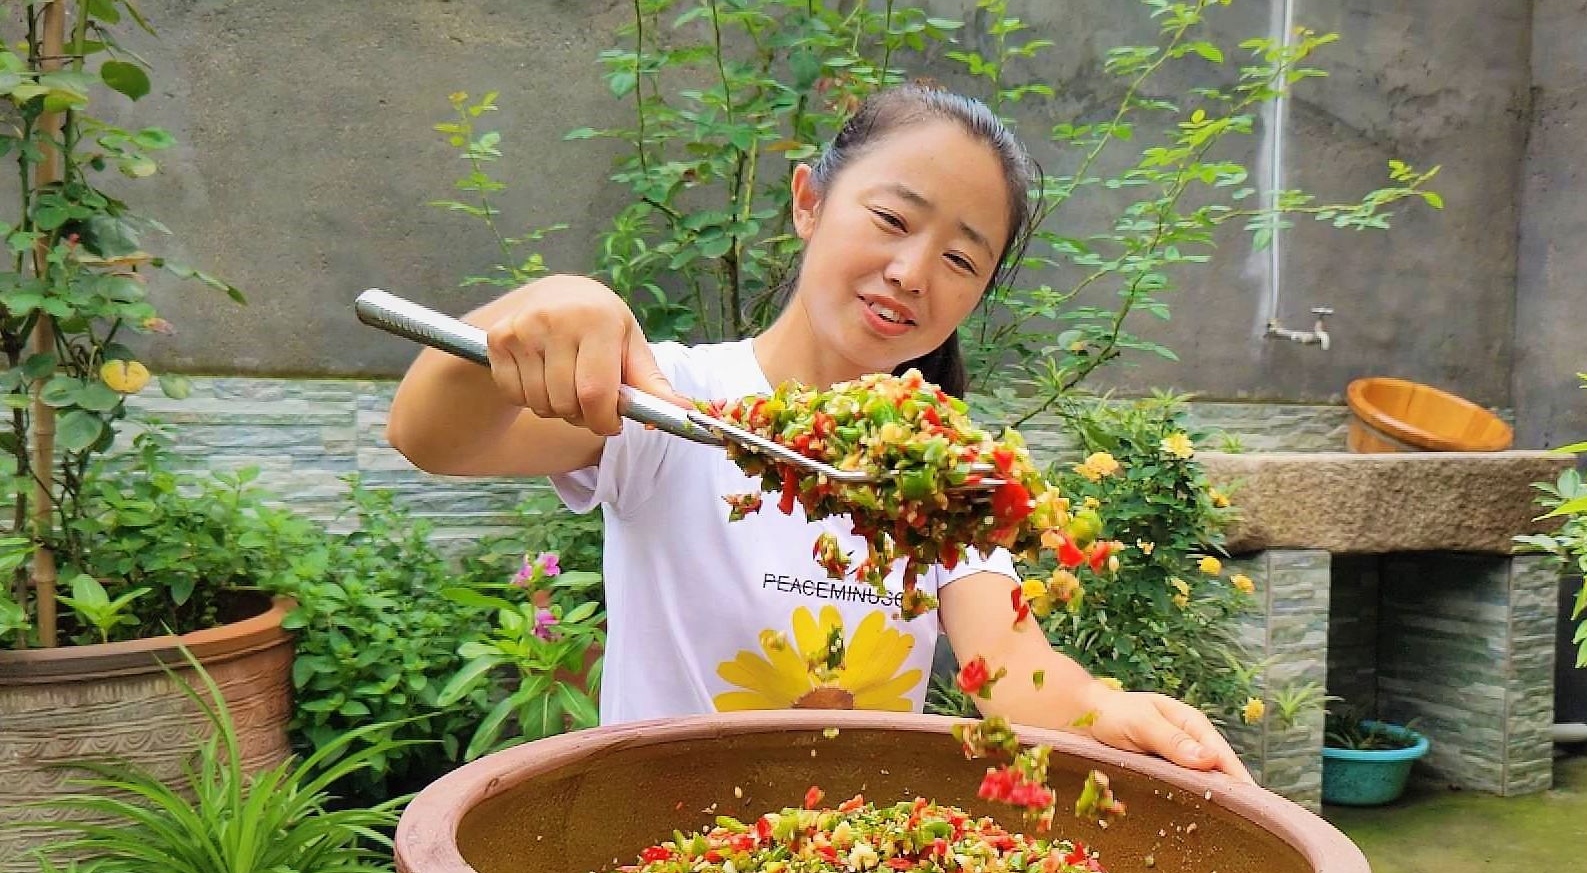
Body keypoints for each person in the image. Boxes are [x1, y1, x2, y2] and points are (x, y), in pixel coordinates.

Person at [388, 85, 1251, 783]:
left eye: (961, 259)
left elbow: (1011, 668)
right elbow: (433, 437)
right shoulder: (675, 402)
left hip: (849, 866)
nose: (912, 272)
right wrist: (544, 304)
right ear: (809, 201)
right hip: (650, 842)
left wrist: (1116, 710)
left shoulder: (945, 472)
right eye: (892, 220)